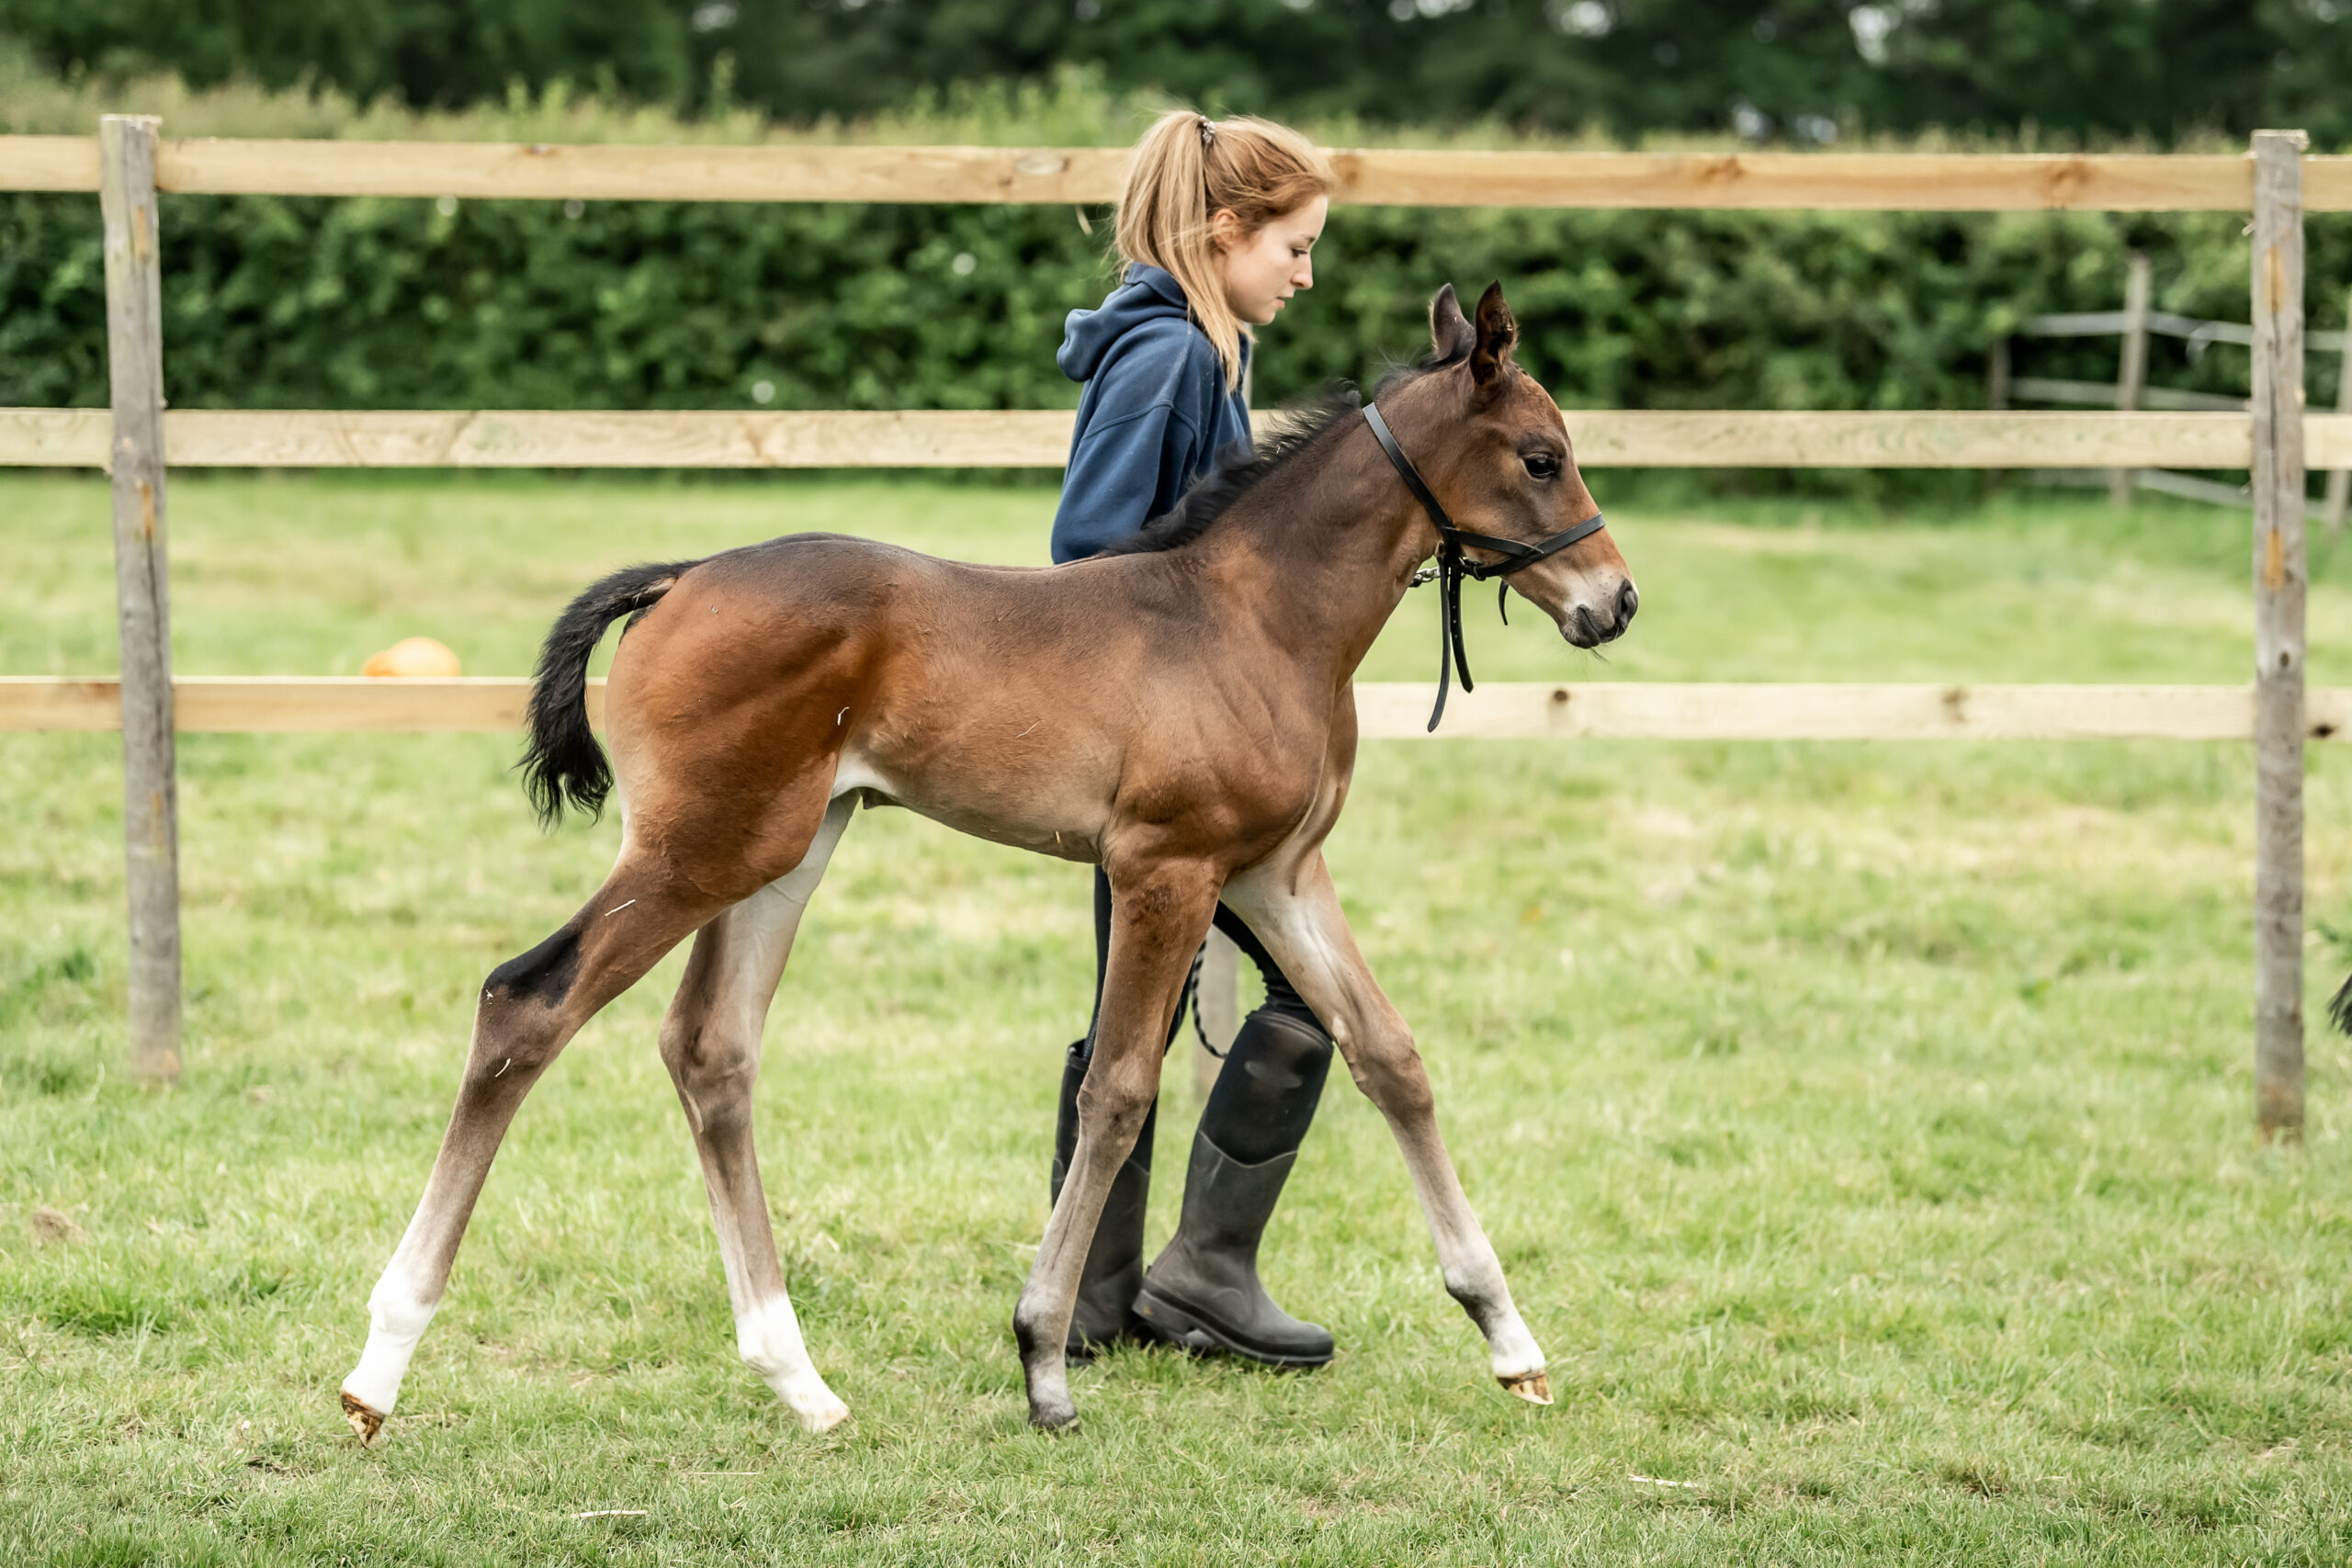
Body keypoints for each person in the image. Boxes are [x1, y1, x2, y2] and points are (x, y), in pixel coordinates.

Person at [1046, 107, 1340, 1368]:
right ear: (1228, 231)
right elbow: (1085, 549)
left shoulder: (1206, 353)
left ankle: (1112, 1297)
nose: (1306, 273)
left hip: (1189, 742)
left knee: (1143, 1015)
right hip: (1153, 750)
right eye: (1296, 246)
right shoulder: (1168, 359)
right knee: (1305, 997)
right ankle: (1201, 1278)